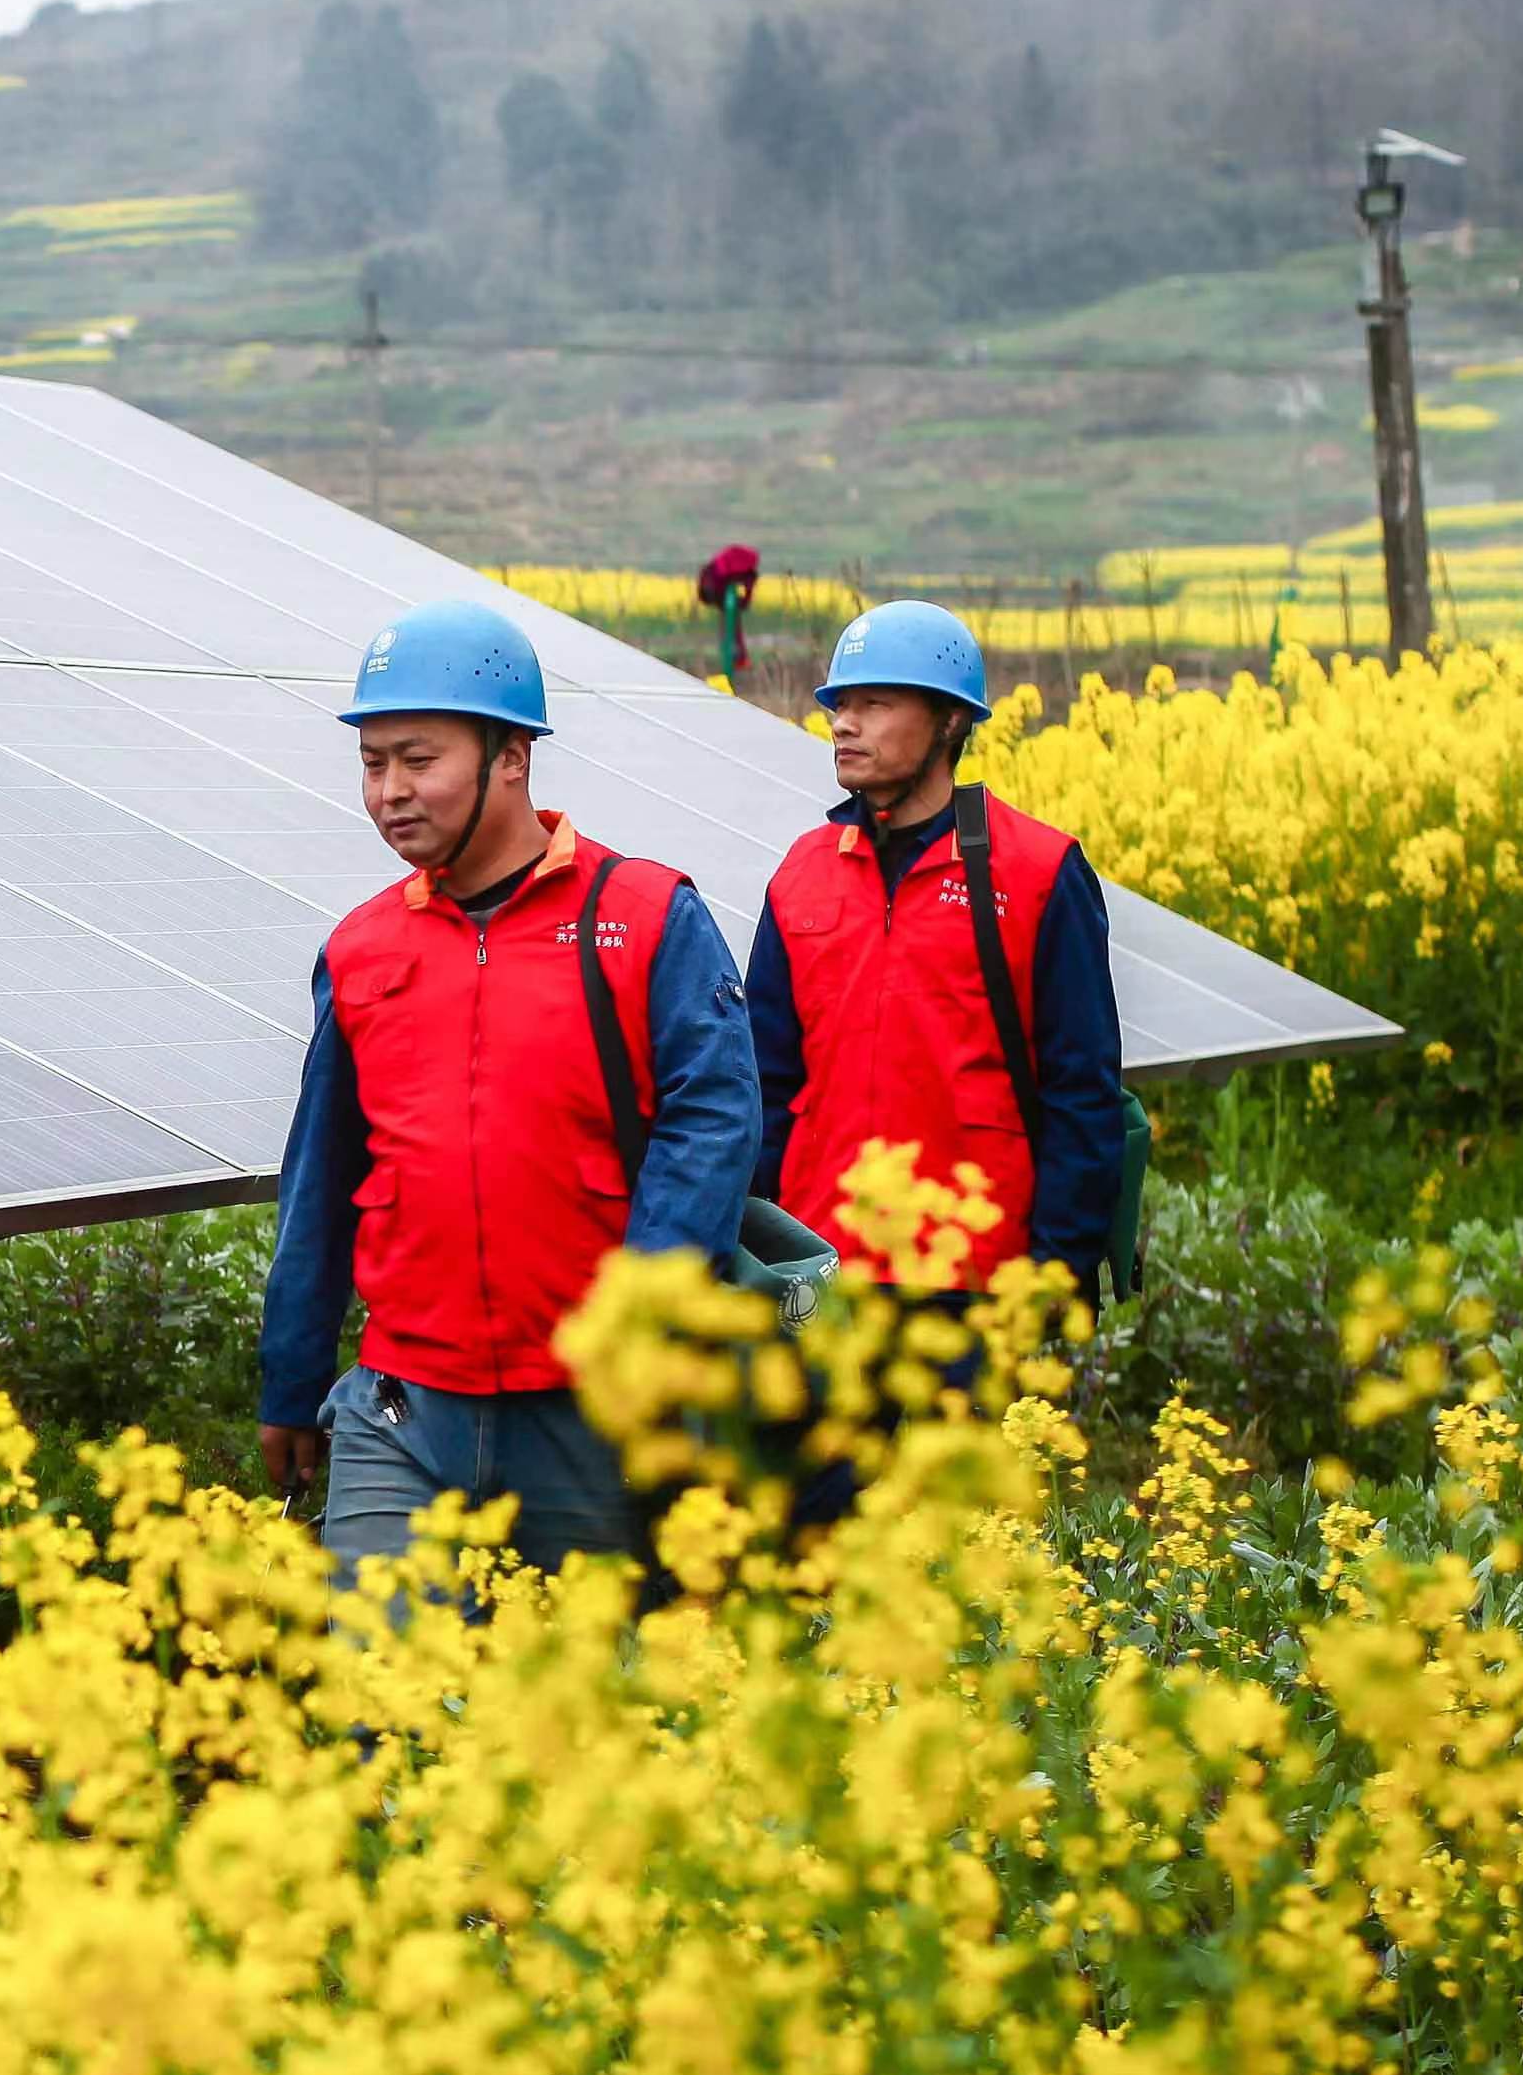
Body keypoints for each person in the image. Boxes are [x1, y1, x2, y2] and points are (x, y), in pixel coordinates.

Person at [257, 597, 762, 1576]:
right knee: (384, 1711)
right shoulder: (361, 949)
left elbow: (710, 1127)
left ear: (509, 759)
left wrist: (640, 1333)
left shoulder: (647, 918)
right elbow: (317, 1178)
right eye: (371, 763)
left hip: (593, 1404)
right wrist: (291, 1376)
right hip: (401, 1406)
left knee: (584, 1713)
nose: (388, 790)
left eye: (418, 759)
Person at [746, 602, 1129, 1300]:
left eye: (874, 703)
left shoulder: (1039, 872)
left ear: (951, 720)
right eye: (839, 704)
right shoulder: (799, 874)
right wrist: (770, 1265)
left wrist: (1050, 1282)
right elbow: (762, 1088)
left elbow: (1083, 1098)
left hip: (980, 1287)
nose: (843, 723)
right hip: (824, 1279)